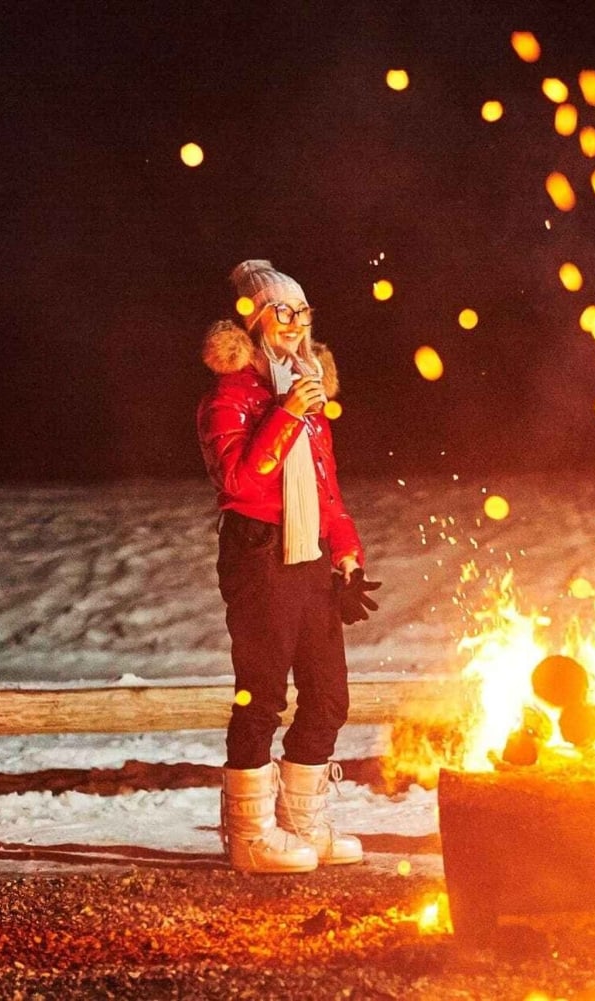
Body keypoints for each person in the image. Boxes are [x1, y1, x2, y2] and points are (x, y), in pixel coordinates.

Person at [196, 259, 381, 874]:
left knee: (329, 695)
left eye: (303, 313)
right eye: (283, 312)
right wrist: (285, 415)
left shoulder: (306, 384)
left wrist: (347, 551)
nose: (296, 325)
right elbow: (240, 479)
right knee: (263, 695)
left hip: (312, 557)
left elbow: (326, 486)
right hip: (259, 553)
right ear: (255, 321)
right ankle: (250, 834)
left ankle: (304, 822)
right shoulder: (229, 396)